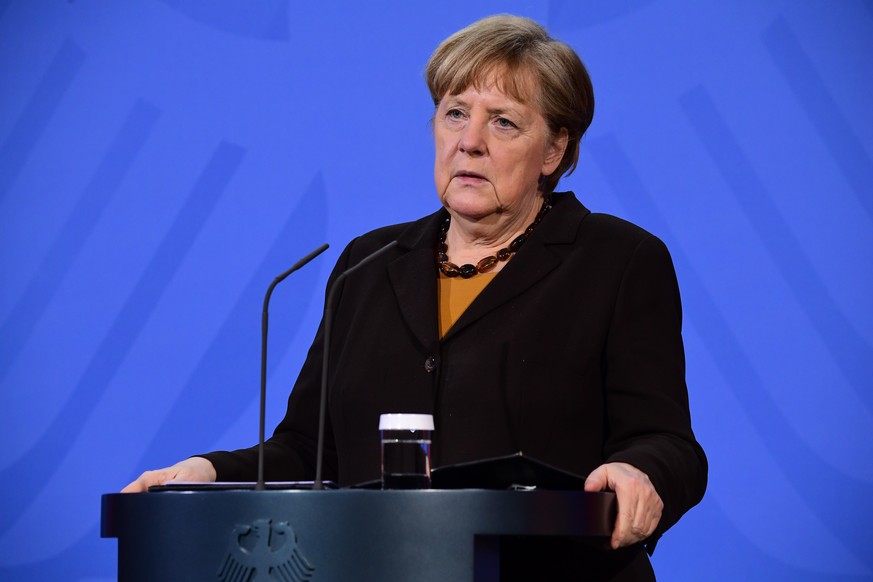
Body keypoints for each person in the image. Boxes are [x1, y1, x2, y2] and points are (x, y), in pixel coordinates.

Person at [124, 15, 706, 580]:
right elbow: (308, 449)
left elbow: (668, 443)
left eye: (503, 122)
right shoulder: (369, 265)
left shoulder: (617, 260)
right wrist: (204, 475)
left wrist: (640, 471)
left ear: (553, 151)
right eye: (455, 114)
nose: (469, 142)